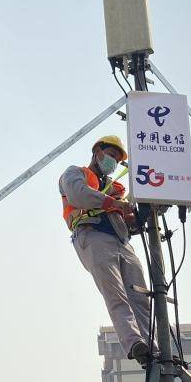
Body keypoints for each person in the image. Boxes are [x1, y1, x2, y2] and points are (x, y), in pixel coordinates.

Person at [60, 134, 154, 365]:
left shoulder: (116, 187)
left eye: (116, 158)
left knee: (141, 297)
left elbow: (127, 220)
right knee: (116, 295)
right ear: (98, 152)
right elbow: (79, 195)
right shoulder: (75, 173)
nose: (112, 161)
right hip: (92, 236)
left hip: (121, 241)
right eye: (110, 155)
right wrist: (115, 203)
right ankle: (135, 343)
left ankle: (153, 346)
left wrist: (139, 216)